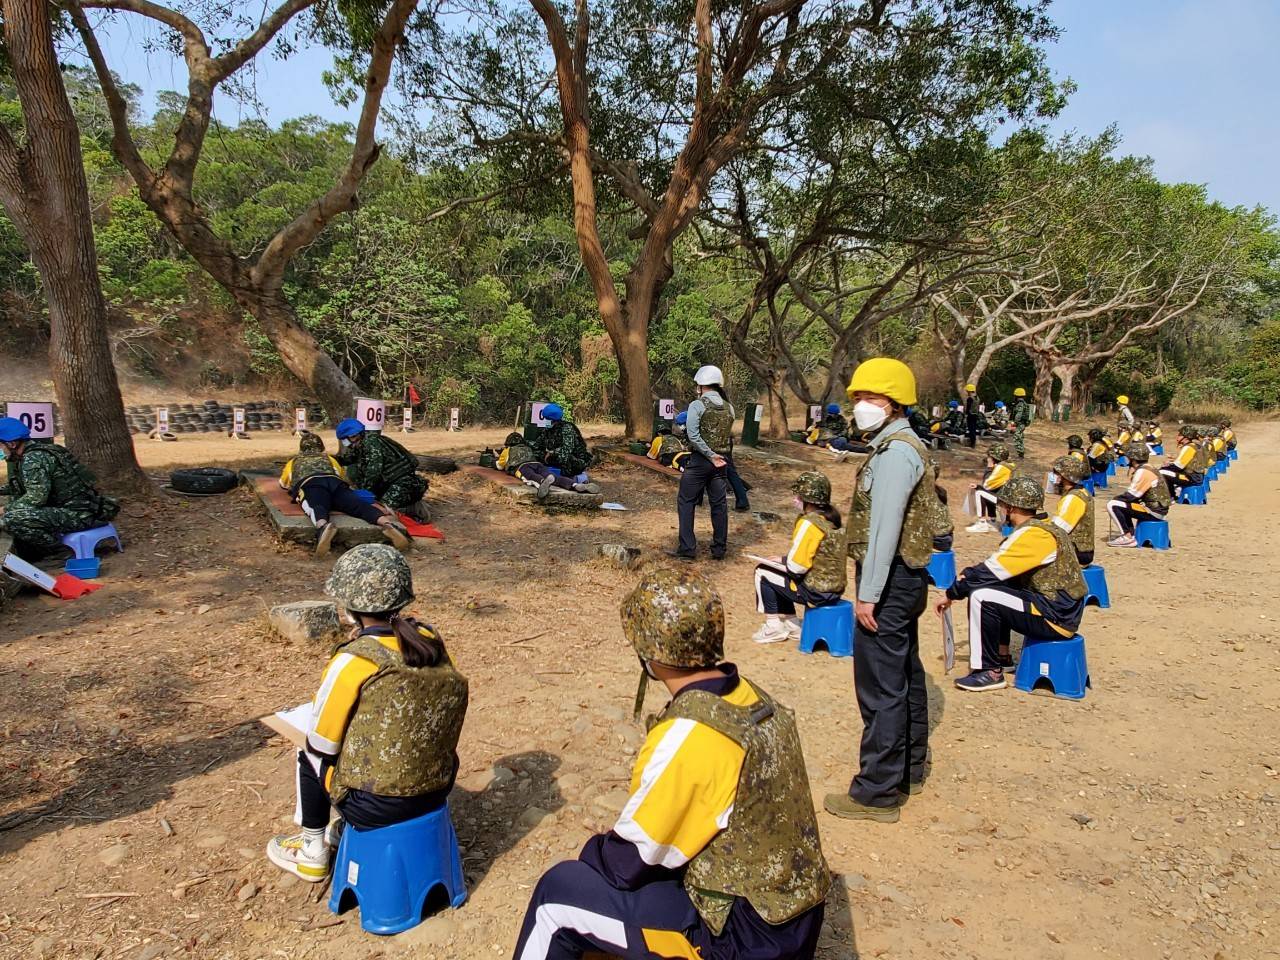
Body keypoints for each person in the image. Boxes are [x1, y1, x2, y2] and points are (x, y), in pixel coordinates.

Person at [511, 567, 829, 960]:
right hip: (789, 919)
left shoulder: (693, 733)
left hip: (742, 940)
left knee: (558, 893)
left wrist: (591, 855)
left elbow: (629, 862)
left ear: (651, 654)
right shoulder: (756, 701)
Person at [266, 544, 468, 882]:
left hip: (373, 806)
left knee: (306, 748)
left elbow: (322, 744)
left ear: (349, 607)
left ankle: (312, 847)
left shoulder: (354, 660)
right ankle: (337, 831)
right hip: (437, 787)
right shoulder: (430, 641)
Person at [826, 358, 948, 823]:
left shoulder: (897, 453)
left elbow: (884, 529)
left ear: (893, 403)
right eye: (857, 399)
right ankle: (909, 768)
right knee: (906, 675)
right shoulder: (900, 445)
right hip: (905, 577)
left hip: (890, 579)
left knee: (880, 686)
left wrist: (868, 594)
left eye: (869, 399)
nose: (860, 407)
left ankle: (877, 792)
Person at [937, 477, 1087, 693]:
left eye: (1002, 506)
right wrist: (966, 576)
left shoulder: (1034, 535)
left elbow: (989, 571)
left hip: (1056, 616)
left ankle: (989, 671)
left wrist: (953, 592)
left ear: (1011, 508)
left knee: (982, 596)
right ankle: (1001, 655)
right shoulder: (1043, 527)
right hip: (1059, 608)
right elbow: (997, 569)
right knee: (997, 587)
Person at [0, 416, 120, 562]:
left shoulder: (34, 459)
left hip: (79, 514)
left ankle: (59, 552)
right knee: (15, 507)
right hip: (85, 509)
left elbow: (36, 497)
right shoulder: (38, 452)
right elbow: (22, 486)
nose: (1, 450)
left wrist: (5, 509)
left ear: (11, 444)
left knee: (12, 518)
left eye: (1, 445)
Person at [751, 472, 847, 644]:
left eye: (798, 495)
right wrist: (781, 559)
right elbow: (818, 554)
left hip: (815, 591)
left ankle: (773, 626)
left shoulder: (808, 523)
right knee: (777, 570)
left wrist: (782, 563)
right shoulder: (829, 520)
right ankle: (793, 624)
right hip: (833, 589)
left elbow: (796, 567)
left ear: (807, 499)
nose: (795, 499)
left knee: (762, 572)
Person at [279, 432, 411, 556]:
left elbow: (284, 484)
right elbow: (342, 475)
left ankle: (323, 527)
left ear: (301, 448)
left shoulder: (293, 461)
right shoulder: (330, 459)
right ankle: (387, 524)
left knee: (316, 506)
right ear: (321, 447)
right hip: (335, 483)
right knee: (359, 505)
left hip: (311, 484)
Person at [670, 365, 735, 561]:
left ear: (701, 385)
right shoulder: (729, 407)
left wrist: (709, 454)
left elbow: (693, 435)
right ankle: (719, 549)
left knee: (686, 500)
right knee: (719, 504)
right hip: (722, 461)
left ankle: (688, 548)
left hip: (700, 461)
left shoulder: (697, 405)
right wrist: (718, 456)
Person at [334, 418, 430, 521]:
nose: (346, 443)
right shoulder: (361, 444)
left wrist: (365, 493)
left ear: (354, 436)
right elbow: (347, 459)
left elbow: (374, 471)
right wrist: (330, 459)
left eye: (345, 440)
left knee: (383, 511)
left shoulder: (371, 443)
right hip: (389, 482)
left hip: (403, 483)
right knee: (354, 472)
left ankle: (412, 509)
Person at [499, 432, 600, 500]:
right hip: (538, 464)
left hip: (522, 467)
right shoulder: (528, 448)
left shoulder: (507, 450)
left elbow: (500, 465)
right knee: (555, 477)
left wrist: (496, 458)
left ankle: (542, 482)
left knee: (531, 477)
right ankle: (575, 485)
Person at [1106, 443, 1170, 547]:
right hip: (1158, 509)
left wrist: (1116, 499)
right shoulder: (1149, 468)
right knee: (1121, 504)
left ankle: (1127, 537)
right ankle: (1130, 534)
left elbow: (1131, 496)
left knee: (1113, 504)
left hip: (1153, 512)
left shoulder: (1143, 471)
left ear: (1133, 459)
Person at [1049, 455, 1094, 567]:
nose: (1055, 477)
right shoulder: (1082, 492)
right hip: (1081, 550)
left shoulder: (1073, 498)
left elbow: (1059, 529)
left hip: (1076, 551)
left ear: (1064, 476)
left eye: (1057, 474)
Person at [530, 403, 593, 477]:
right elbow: (537, 446)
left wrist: (552, 453)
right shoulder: (548, 430)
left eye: (547, 418)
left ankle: (573, 479)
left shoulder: (567, 428)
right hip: (557, 458)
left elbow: (566, 450)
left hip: (575, 459)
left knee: (563, 459)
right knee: (536, 455)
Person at [965, 442, 1014, 534]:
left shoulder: (1001, 468)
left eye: (989, 457)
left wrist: (989, 468)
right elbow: (994, 485)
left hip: (1007, 503)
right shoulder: (1009, 465)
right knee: (986, 492)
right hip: (1009, 499)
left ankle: (982, 523)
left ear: (994, 458)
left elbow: (987, 485)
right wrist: (978, 486)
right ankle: (993, 521)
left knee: (979, 493)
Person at [1160, 426, 1202, 499]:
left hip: (1191, 478)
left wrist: (1166, 466)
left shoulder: (1188, 448)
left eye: (1179, 435)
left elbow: (1178, 466)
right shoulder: (1194, 446)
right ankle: (1175, 492)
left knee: (1162, 472)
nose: (1177, 436)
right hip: (1197, 476)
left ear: (1186, 437)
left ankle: (1171, 496)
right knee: (1167, 471)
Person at [1010, 387, 1031, 459]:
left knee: (1017, 437)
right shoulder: (1023, 403)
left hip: (1020, 423)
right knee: (1020, 437)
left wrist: (1015, 423)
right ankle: (1021, 453)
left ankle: (1020, 454)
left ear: (1016, 396)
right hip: (1022, 423)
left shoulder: (1020, 404)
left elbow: (1019, 414)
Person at [963, 383, 979, 448]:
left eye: (967, 391)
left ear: (969, 391)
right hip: (976, 415)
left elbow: (968, 407)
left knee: (971, 429)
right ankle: (973, 442)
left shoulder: (970, 398)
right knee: (974, 428)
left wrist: (966, 414)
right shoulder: (977, 398)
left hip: (970, 415)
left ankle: (972, 443)